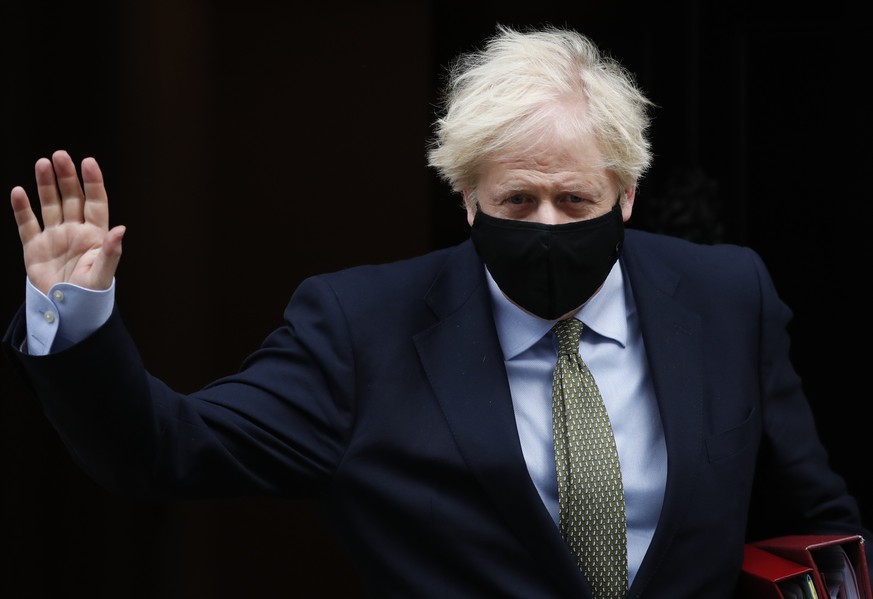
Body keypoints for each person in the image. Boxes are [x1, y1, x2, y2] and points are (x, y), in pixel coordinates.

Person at [4, 24, 871, 599]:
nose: (545, 225)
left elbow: (817, 518)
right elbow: (164, 450)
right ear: (465, 201)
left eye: (574, 200)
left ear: (627, 193)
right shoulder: (360, 329)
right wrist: (77, 317)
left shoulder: (726, 297)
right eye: (515, 200)